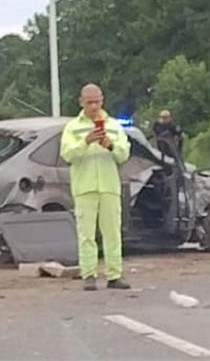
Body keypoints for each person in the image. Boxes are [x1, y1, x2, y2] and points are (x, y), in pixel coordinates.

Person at [59, 84, 131, 291]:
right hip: (84, 186)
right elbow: (67, 155)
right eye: (89, 102)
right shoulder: (73, 127)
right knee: (86, 234)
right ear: (81, 102)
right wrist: (85, 141)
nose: (93, 106)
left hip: (109, 185)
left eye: (97, 101)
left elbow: (124, 154)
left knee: (112, 232)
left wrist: (110, 145)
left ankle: (114, 275)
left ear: (102, 100)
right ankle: (89, 274)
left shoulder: (114, 126)